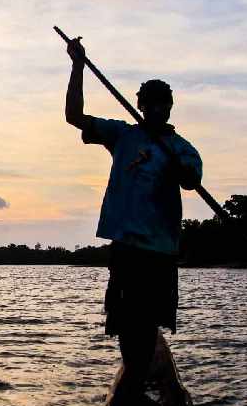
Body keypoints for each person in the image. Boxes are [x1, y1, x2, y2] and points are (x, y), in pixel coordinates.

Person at [63, 36, 202, 371]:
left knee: (150, 319)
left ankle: (141, 370)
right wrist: (77, 65)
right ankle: (136, 376)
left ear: (170, 107)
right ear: (141, 106)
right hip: (127, 246)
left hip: (161, 249)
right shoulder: (122, 135)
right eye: (152, 103)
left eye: (163, 104)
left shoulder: (183, 149)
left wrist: (182, 170)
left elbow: (191, 181)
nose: (158, 109)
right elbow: (73, 115)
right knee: (126, 318)